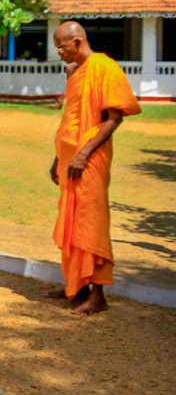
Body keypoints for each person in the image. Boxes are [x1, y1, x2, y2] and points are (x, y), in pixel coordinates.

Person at [48, 21, 140, 315]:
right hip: (69, 159)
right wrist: (58, 158)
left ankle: (98, 295)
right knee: (72, 220)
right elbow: (70, 118)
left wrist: (83, 154)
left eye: (62, 47)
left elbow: (115, 118)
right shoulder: (73, 72)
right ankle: (75, 285)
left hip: (90, 158)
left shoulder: (105, 67)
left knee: (90, 221)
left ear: (77, 41)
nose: (59, 53)